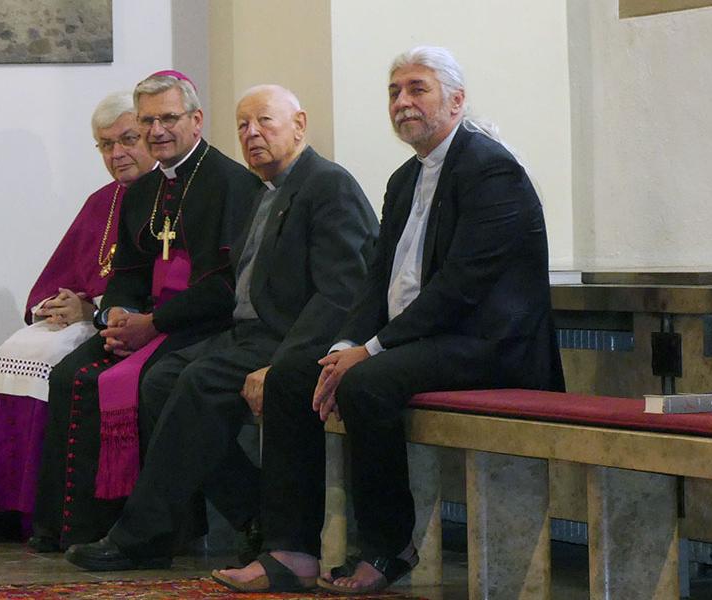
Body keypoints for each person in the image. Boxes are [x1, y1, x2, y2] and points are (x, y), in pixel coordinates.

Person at [214, 46, 564, 594]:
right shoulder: (405, 178)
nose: (403, 102)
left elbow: (460, 287)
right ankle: (290, 549)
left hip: (489, 344)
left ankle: (386, 547)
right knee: (290, 376)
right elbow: (375, 280)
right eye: (394, 91)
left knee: (368, 382)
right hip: (418, 340)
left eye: (417, 89)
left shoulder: (490, 168)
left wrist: (371, 350)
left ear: (456, 100)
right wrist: (350, 339)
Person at [64, 85, 378, 571]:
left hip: (287, 338)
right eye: (243, 126)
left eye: (265, 123)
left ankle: (142, 534)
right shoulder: (268, 189)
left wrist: (283, 362)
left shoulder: (326, 185)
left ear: (299, 125)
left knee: (197, 383)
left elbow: (342, 292)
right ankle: (245, 508)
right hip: (250, 332)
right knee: (160, 380)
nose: (252, 135)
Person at [29, 71, 261, 552]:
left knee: (160, 386)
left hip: (204, 325)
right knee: (72, 374)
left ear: (196, 120)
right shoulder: (142, 192)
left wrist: (151, 324)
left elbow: (226, 283)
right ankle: (78, 528)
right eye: (149, 120)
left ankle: (193, 525)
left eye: (169, 118)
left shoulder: (231, 183)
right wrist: (114, 315)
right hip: (148, 324)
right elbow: (129, 272)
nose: (158, 131)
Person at [0, 91, 157, 541]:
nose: (118, 154)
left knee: (54, 357)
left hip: (128, 326)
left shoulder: (165, 197)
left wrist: (90, 308)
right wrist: (55, 303)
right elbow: (62, 273)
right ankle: (2, 506)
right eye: (105, 145)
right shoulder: (102, 201)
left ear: (150, 135)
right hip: (87, 318)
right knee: (17, 347)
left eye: (128, 139)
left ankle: (45, 508)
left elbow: (153, 283)